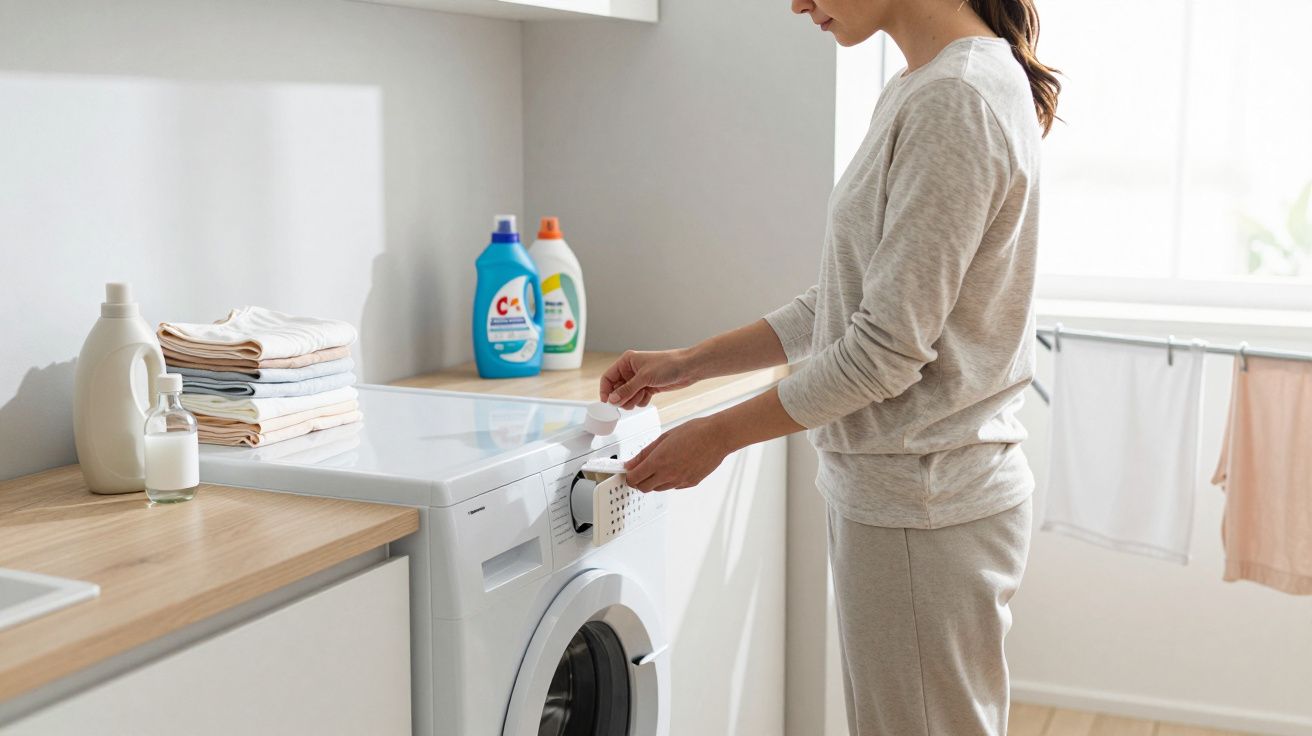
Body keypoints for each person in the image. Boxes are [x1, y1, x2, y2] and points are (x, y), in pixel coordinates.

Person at [598, 0, 1060, 733]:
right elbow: (845, 304)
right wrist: (692, 364)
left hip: (923, 505)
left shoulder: (955, 97)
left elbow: (881, 352)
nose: (797, 3)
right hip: (911, 496)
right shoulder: (925, 85)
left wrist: (715, 437)